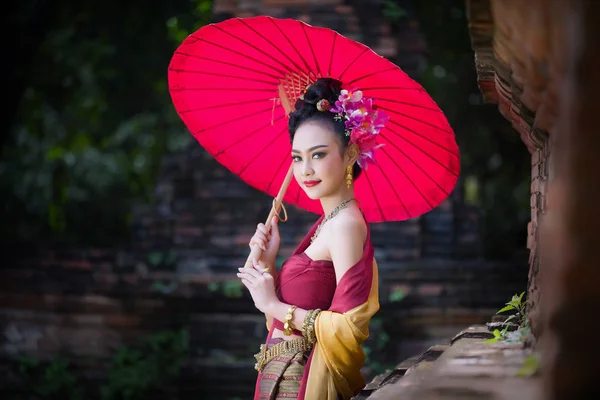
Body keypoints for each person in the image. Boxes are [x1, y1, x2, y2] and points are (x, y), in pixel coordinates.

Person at [236, 78, 383, 400]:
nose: (305, 170)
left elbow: (348, 328)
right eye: (297, 157)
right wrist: (269, 262)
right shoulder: (327, 222)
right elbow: (288, 320)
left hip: (304, 383)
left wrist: (271, 302)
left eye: (318, 155)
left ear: (350, 154)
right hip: (280, 376)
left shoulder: (345, 225)